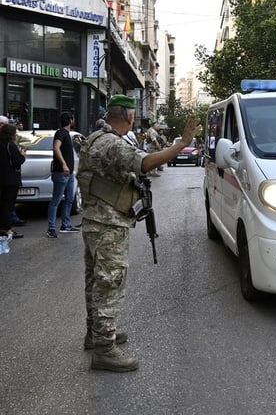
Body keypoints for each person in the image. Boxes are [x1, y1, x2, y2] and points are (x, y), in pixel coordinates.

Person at [78, 94, 200, 372]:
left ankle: (95, 334)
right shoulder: (112, 143)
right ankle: (105, 349)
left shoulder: (96, 138)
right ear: (130, 117)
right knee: (110, 283)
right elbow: (145, 163)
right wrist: (181, 143)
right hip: (108, 225)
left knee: (95, 280)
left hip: (95, 221)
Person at [47, 112, 79, 238]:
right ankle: (51, 228)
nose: (74, 120)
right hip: (61, 172)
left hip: (69, 174)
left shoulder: (66, 134)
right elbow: (56, 147)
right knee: (56, 200)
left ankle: (65, 224)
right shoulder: (60, 133)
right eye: (73, 118)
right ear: (70, 120)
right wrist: (64, 164)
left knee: (70, 198)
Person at [0, 124, 25, 240]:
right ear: (11, 135)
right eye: (15, 133)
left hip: (2, 179)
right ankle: (7, 229)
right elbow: (17, 162)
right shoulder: (12, 146)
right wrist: (22, 155)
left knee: (3, 204)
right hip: (11, 180)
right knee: (9, 205)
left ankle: (3, 228)